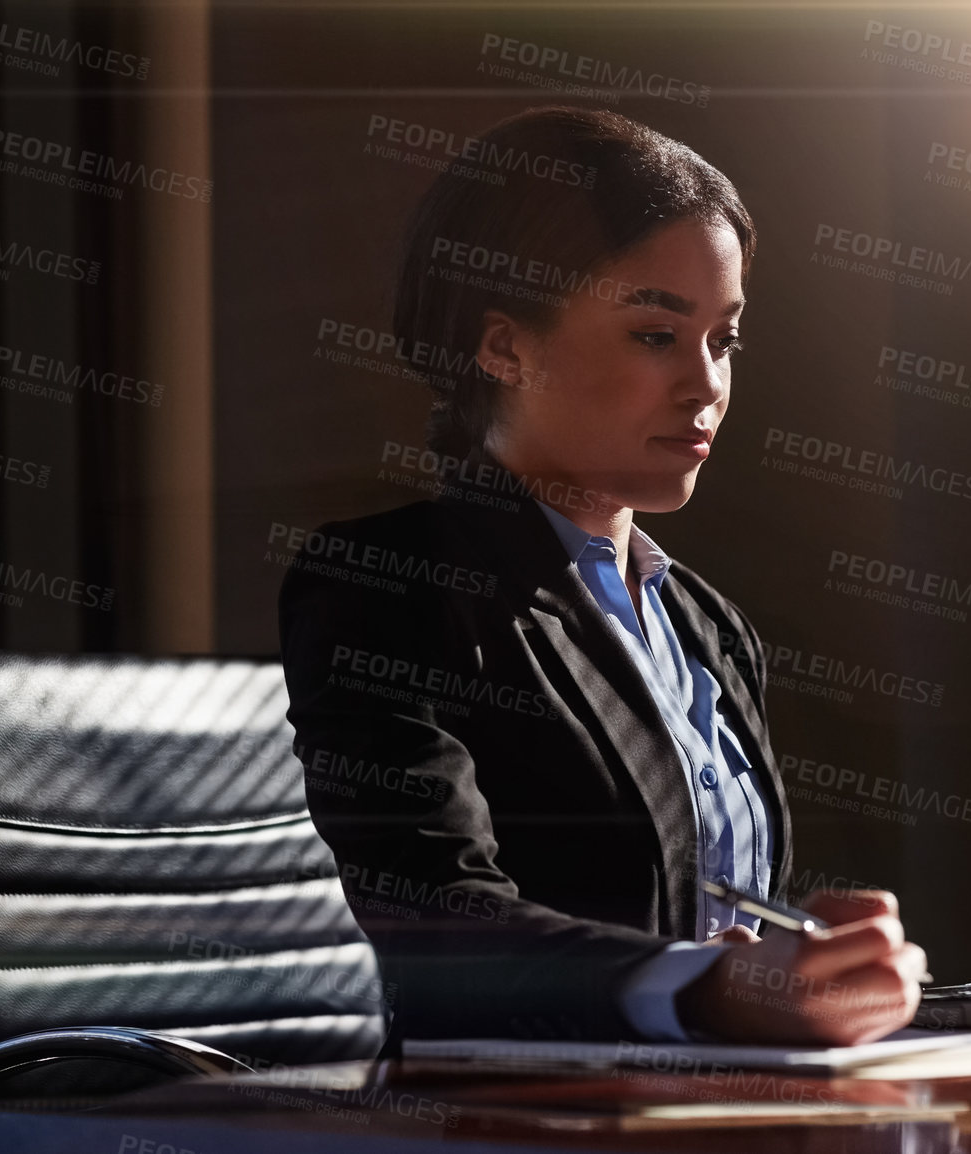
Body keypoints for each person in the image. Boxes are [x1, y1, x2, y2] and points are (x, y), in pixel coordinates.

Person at [278, 105, 926, 1051]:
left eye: (724, 340)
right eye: (657, 336)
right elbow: (441, 928)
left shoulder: (707, 624)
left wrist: (819, 968)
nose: (705, 384)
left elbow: (726, 926)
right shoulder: (386, 585)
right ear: (503, 347)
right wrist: (710, 988)